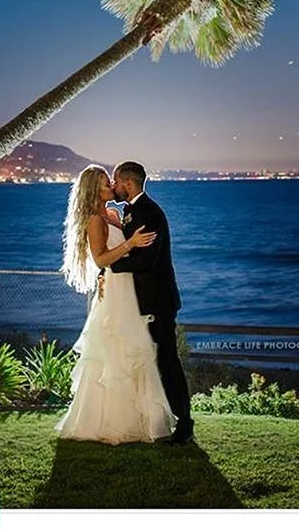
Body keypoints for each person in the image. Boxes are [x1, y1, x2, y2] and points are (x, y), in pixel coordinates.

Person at [56, 165, 176, 445]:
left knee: (134, 349)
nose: (111, 184)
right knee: (114, 352)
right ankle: (110, 421)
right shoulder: (95, 220)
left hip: (126, 288)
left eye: (111, 180)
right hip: (115, 290)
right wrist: (131, 243)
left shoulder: (113, 214)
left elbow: (112, 259)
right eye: (104, 182)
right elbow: (101, 258)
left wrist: (124, 251)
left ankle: (139, 418)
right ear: (94, 190)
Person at [111, 161, 194, 445]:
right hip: (145, 300)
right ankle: (156, 416)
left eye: (116, 181)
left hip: (158, 301)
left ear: (128, 183)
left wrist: (112, 265)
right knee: (152, 360)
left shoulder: (148, 211)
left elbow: (148, 259)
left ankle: (184, 422)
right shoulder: (132, 210)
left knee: (167, 360)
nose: (113, 186)